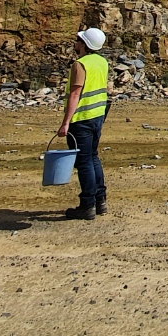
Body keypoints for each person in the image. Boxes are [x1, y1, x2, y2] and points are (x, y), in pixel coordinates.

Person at [56, 27, 110, 220]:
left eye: (78, 40)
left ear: (84, 44)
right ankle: (100, 200)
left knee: (84, 162)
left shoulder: (80, 65)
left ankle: (87, 205)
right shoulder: (102, 62)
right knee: (93, 157)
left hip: (82, 119)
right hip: (97, 116)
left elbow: (75, 94)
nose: (76, 42)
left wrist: (65, 123)